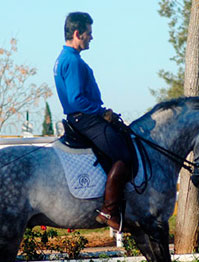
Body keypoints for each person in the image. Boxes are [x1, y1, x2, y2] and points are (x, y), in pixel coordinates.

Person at [54, 12, 133, 231]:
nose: (92, 37)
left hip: (83, 118)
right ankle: (108, 210)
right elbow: (77, 99)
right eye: (89, 33)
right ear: (78, 33)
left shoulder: (66, 58)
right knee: (124, 156)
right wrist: (101, 112)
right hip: (86, 119)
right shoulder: (72, 61)